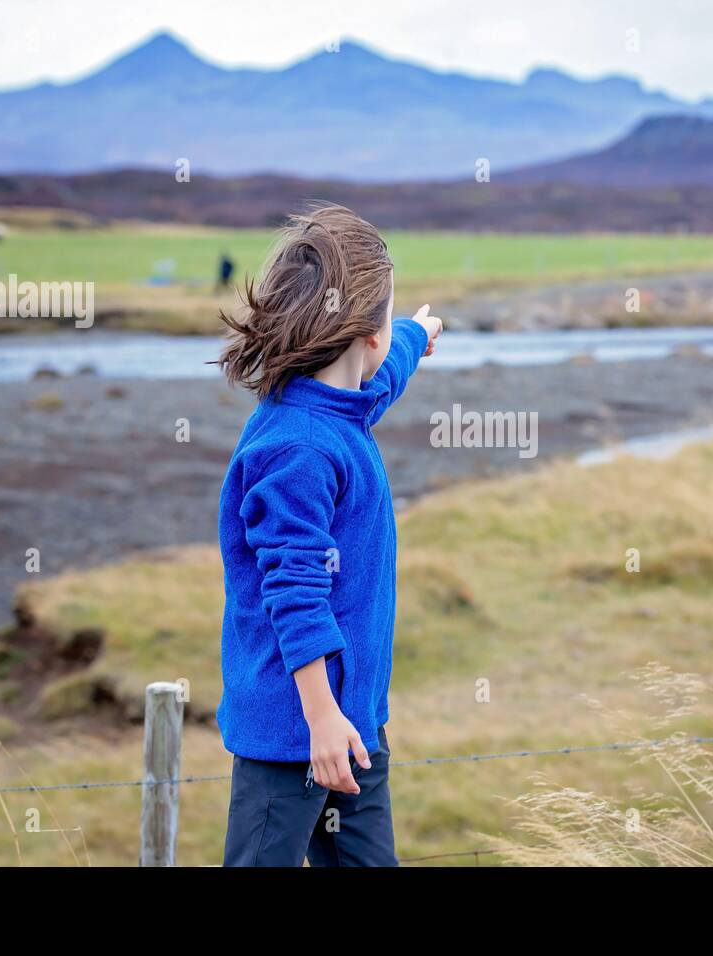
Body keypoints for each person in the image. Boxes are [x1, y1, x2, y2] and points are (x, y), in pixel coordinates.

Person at [215, 203, 441, 866]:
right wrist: (320, 718)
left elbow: (388, 368)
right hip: (292, 736)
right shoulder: (300, 448)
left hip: (355, 728)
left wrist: (418, 335)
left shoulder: (343, 401)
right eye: (389, 319)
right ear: (363, 334)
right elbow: (294, 590)